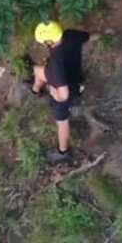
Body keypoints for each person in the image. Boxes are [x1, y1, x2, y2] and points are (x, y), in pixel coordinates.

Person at [31, 21, 89, 163]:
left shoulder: (57, 64)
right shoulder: (70, 34)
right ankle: (35, 91)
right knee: (37, 70)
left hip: (66, 85)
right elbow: (87, 36)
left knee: (62, 122)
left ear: (49, 42)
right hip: (73, 74)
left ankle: (63, 152)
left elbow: (63, 95)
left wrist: (52, 90)